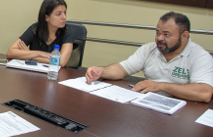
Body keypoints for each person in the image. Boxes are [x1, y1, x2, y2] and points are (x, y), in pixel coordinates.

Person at [85, 12, 213, 103]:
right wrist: (101, 71)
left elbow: (205, 93)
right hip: (148, 104)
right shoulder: (149, 49)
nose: (159, 38)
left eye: (166, 34)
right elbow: (123, 68)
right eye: (158, 33)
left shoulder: (200, 56)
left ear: (184, 36)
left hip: (182, 111)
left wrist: (160, 86)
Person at [6, 0, 74, 66]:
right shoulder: (35, 29)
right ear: (46, 17)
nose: (64, 17)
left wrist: (29, 54)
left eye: (64, 13)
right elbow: (10, 53)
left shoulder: (68, 31)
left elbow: (61, 62)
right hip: (33, 72)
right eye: (58, 14)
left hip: (55, 74)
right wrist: (39, 53)